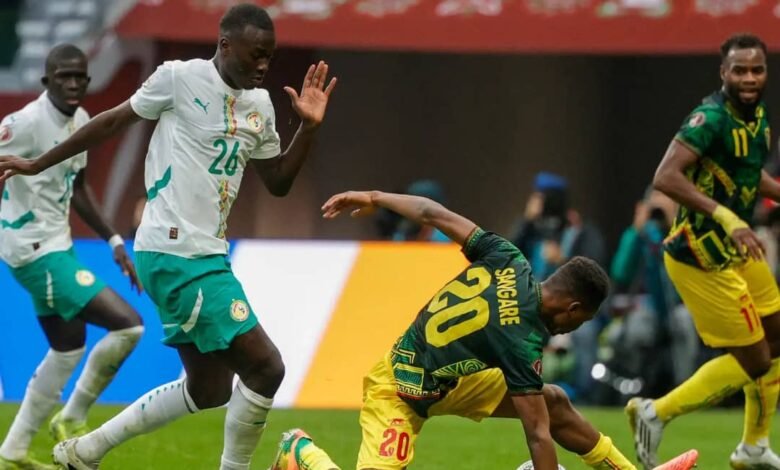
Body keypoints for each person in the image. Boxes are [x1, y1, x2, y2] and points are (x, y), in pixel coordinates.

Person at [0, 4, 336, 470]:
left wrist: (309, 129)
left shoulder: (259, 106)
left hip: (204, 255)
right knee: (266, 367)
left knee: (208, 390)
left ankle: (86, 450)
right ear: (225, 45)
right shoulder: (180, 78)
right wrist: (39, 163)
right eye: (255, 54)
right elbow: (112, 121)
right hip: (175, 251)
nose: (263, 65)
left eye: (269, 56)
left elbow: (278, 181)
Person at [269, 190, 699, 470]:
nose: (571, 330)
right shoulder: (522, 339)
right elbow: (537, 435)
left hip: (451, 377)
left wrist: (375, 196)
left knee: (553, 401)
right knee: (545, 410)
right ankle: (299, 452)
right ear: (572, 308)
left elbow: (432, 212)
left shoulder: (507, 255)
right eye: (580, 321)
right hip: (399, 390)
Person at [627, 33, 780, 470]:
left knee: (777, 337)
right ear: (723, 73)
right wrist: (727, 217)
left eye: (757, 70)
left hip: (736, 249)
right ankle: (655, 412)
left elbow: (749, 175)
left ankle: (753, 447)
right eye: (739, 70)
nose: (749, 78)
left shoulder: (758, 117)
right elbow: (666, 177)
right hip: (699, 256)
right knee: (757, 360)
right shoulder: (709, 118)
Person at [0, 44, 144, 470]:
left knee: (67, 347)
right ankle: (72, 417)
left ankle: (12, 451)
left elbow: (78, 188)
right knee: (129, 325)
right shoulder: (23, 123)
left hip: (57, 245)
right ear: (47, 80)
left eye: (81, 76)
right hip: (33, 250)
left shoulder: (81, 120)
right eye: (64, 76)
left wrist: (114, 241)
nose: (74, 83)